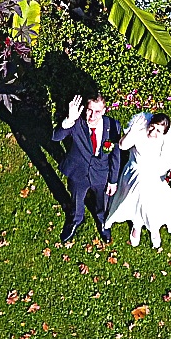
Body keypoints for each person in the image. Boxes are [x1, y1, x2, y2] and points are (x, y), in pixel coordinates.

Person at [106, 110, 171, 249]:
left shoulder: (166, 142)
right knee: (139, 191)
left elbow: (170, 162)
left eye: (158, 130)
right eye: (152, 126)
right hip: (135, 172)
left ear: (164, 133)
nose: (153, 131)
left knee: (150, 197)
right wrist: (131, 132)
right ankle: (137, 225)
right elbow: (122, 146)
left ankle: (153, 227)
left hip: (154, 174)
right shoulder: (139, 132)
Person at [52, 94, 123, 245]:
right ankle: (75, 220)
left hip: (101, 174)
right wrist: (69, 120)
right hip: (78, 172)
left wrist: (113, 180)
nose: (92, 115)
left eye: (97, 112)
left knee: (101, 201)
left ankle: (102, 221)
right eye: (90, 110)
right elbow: (56, 137)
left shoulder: (113, 126)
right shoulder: (77, 122)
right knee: (76, 198)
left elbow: (115, 156)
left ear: (104, 110)